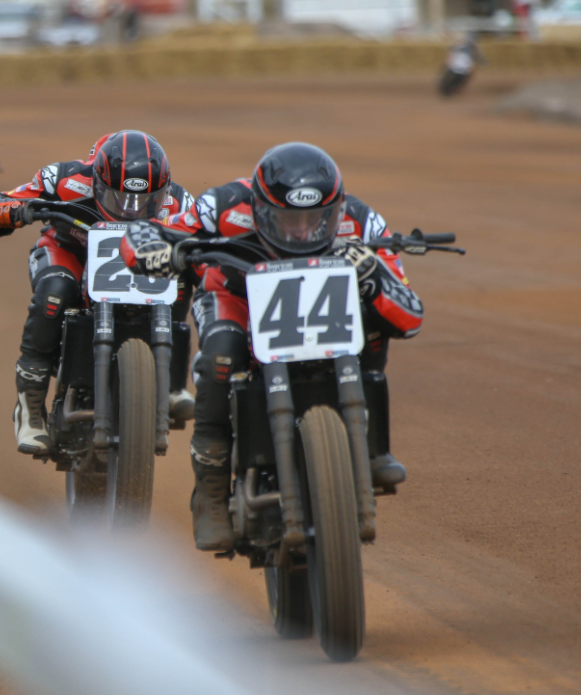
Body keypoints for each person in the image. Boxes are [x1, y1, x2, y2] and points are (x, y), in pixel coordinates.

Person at [121, 142, 421, 550]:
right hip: (235, 295)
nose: (300, 231)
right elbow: (150, 230)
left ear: (336, 208)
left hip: (325, 301)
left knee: (375, 320)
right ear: (259, 208)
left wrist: (372, 276)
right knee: (220, 358)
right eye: (286, 219)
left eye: (315, 219)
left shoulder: (362, 220)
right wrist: (152, 250)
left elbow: (409, 315)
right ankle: (209, 492)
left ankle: (372, 445)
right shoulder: (223, 204)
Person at [0, 130, 196, 456]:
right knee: (55, 291)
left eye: (144, 201)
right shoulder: (64, 178)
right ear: (96, 180)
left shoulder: (179, 201)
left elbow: (209, 233)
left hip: (139, 263)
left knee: (180, 279)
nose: (131, 210)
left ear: (162, 190)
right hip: (68, 254)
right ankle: (30, 408)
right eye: (118, 198)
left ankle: (173, 382)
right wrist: (10, 211)